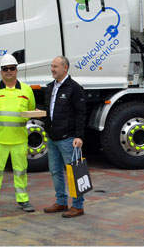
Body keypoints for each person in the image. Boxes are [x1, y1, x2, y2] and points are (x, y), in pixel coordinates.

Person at [0, 54, 36, 214]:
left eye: (11, 68)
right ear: (0, 71)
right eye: (5, 69)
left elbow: (31, 109)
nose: (8, 71)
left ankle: (23, 200)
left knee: (21, 172)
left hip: (19, 140)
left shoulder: (27, 90)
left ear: (16, 70)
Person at [42, 56, 87, 218]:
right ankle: (61, 202)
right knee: (55, 171)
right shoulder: (51, 87)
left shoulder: (74, 88)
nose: (53, 69)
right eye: (51, 66)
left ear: (65, 68)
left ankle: (77, 206)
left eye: (56, 66)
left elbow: (81, 113)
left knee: (74, 172)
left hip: (68, 138)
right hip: (53, 137)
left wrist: (79, 136)